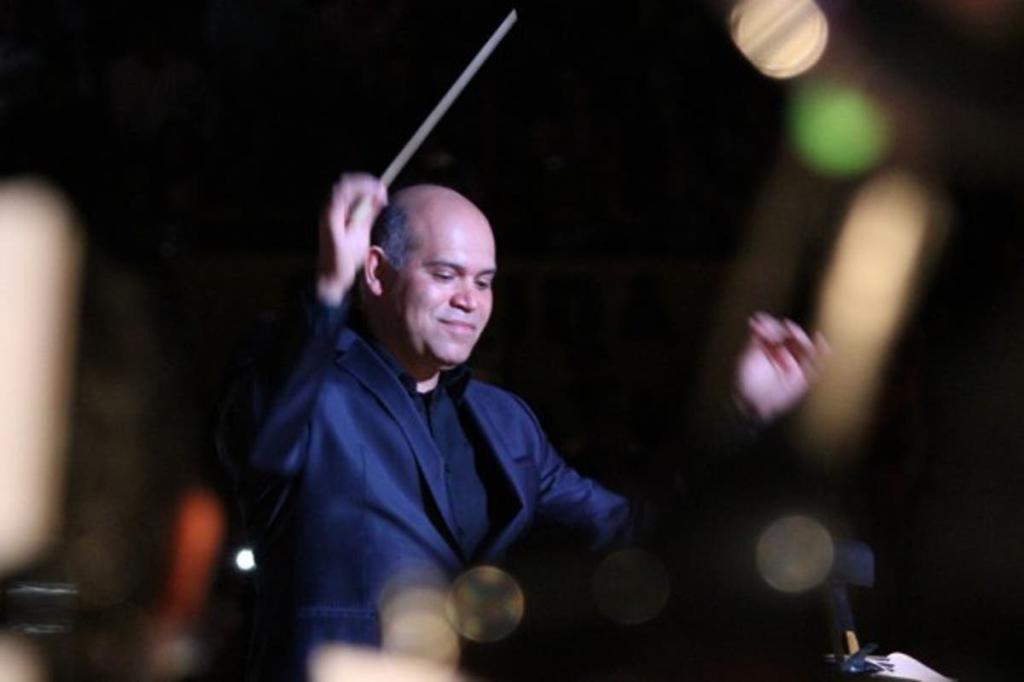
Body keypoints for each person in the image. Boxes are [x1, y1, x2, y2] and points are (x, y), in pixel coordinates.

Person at [218, 173, 826, 681]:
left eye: (484, 282)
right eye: (446, 274)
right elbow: (265, 434)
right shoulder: (312, 391)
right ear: (375, 272)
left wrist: (746, 417)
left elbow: (635, 533)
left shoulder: (505, 421)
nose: (470, 300)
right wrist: (327, 287)